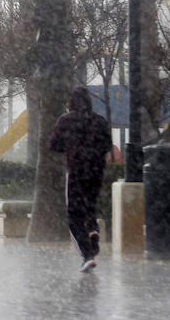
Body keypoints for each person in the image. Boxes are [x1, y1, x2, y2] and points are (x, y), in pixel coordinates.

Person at [49, 86, 113, 273]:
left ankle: (87, 255)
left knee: (74, 215)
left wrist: (71, 147)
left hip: (76, 171)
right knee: (90, 205)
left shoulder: (65, 121)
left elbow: (54, 145)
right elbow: (107, 146)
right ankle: (93, 228)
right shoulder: (100, 121)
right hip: (96, 171)